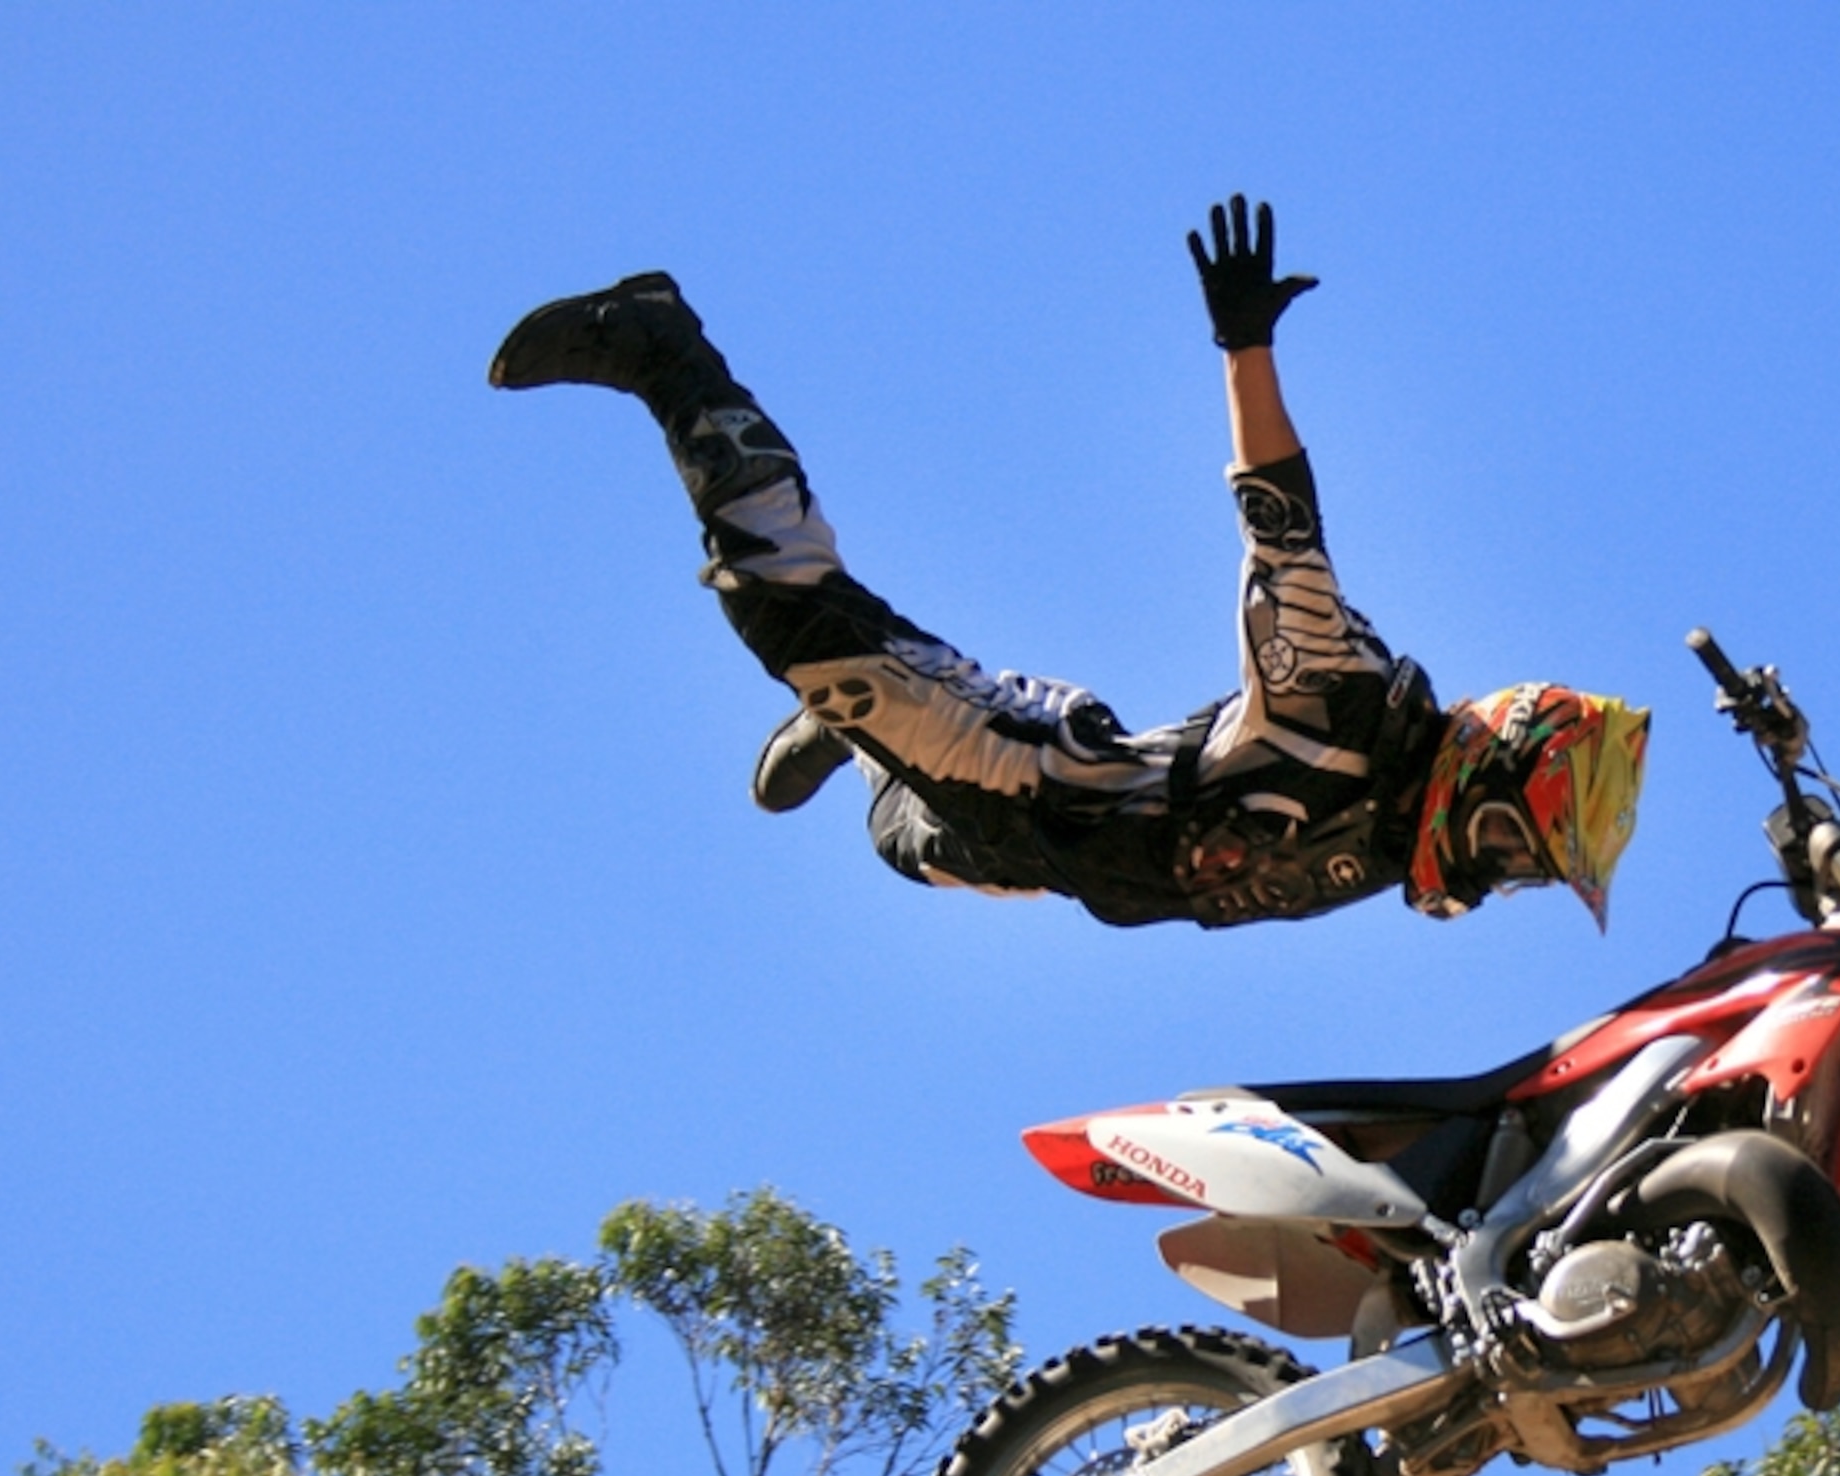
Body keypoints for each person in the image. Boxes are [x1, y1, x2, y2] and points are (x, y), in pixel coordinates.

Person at [489, 195, 1648, 930]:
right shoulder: (1345, 700)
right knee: (788, 615)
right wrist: (1246, 345)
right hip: (1026, 766)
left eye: (1522, 872)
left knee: (895, 844)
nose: (1495, 875)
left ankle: (851, 730)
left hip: (1046, 859)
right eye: (1510, 843)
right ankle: (662, 346)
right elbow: (1284, 529)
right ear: (1489, 761)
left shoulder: (1383, 850)